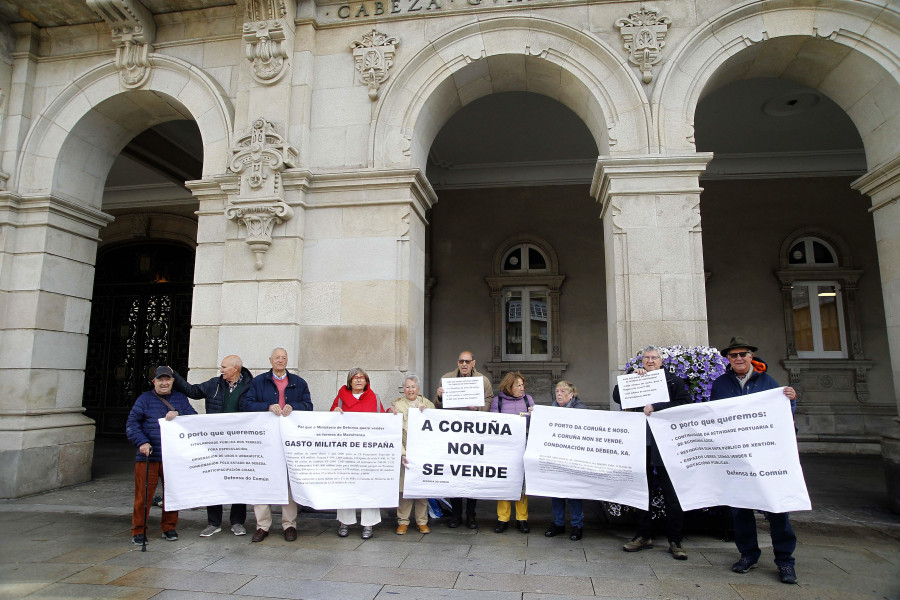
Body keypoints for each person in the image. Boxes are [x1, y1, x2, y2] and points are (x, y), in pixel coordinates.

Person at [710, 336, 800, 584]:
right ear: (728, 360)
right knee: (741, 510)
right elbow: (713, 416)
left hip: (765, 457)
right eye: (733, 355)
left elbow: (782, 413)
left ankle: (785, 561)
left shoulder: (767, 382)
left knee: (777, 509)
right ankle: (748, 554)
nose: (738, 358)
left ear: (751, 357)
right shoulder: (720, 384)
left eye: (743, 354)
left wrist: (791, 400)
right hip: (737, 458)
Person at [613, 345, 690, 560]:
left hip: (666, 445)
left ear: (661, 361)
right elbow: (618, 396)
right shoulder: (637, 378)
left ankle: (675, 540)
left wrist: (657, 407)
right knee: (641, 491)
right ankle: (643, 535)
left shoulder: (674, 380)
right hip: (641, 443)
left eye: (654, 357)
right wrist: (630, 377)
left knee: (671, 494)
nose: (650, 361)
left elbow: (684, 403)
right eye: (646, 358)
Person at [172, 355, 253, 537]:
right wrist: (175, 376)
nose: (221, 370)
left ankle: (238, 522)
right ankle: (213, 522)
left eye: (224, 367)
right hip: (216, 442)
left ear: (235, 369)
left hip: (239, 442)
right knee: (214, 480)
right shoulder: (214, 384)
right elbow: (192, 391)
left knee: (237, 480)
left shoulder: (250, 386)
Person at [242, 347, 313, 543]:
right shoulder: (259, 381)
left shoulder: (298, 382)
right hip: (265, 441)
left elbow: (309, 405)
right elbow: (246, 404)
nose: (280, 361)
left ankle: (289, 524)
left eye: (284, 358)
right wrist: (266, 406)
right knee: (263, 480)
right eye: (277, 358)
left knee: (289, 483)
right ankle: (262, 526)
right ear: (270, 360)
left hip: (288, 440)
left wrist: (294, 406)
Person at [126, 365, 197, 545]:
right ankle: (139, 530)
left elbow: (194, 419)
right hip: (149, 456)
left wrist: (179, 413)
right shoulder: (144, 399)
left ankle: (169, 527)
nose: (164, 383)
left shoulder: (181, 399)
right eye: (160, 380)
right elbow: (132, 423)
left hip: (173, 457)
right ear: (154, 382)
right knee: (143, 496)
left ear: (173, 381)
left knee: (172, 495)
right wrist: (142, 442)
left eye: (167, 380)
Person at [434, 350, 493, 529]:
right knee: (455, 475)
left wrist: (478, 409)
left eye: (468, 361)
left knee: (472, 475)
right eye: (461, 361)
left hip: (474, 435)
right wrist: (439, 396)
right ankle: (456, 515)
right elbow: (437, 406)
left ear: (474, 362)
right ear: (458, 362)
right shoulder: (447, 379)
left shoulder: (483, 381)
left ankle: (471, 515)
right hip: (454, 435)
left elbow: (489, 402)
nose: (464, 364)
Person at [330, 367, 386, 539]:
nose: (359, 380)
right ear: (350, 381)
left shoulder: (374, 399)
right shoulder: (340, 399)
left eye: (362, 377)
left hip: (368, 451)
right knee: (346, 485)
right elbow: (329, 421)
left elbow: (383, 421)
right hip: (347, 451)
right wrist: (334, 413)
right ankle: (345, 522)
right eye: (355, 377)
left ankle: (368, 524)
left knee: (369, 485)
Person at [389, 374, 435, 535]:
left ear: (418, 388)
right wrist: (402, 454)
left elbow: (436, 425)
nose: (410, 390)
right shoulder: (398, 405)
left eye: (413, 387)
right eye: (407, 387)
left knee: (422, 491)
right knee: (405, 491)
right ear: (404, 389)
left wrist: (428, 412)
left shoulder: (427, 403)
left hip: (423, 453)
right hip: (406, 453)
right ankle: (403, 521)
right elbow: (395, 432)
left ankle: (422, 522)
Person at [489, 371, 534, 534]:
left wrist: (534, 415)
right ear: (509, 386)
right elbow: (494, 423)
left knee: (522, 483)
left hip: (524, 444)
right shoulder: (498, 401)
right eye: (518, 385)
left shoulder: (528, 400)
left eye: (523, 385)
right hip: (505, 448)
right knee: (505, 481)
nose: (522, 388)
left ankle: (522, 518)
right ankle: (503, 518)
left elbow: (535, 423)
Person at [544, 380, 589, 541]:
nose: (559, 394)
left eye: (563, 392)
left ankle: (577, 525)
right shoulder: (551, 410)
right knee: (556, 492)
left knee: (573, 493)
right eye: (557, 392)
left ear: (571, 395)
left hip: (573, 458)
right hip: (556, 457)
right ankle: (558, 523)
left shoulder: (581, 409)